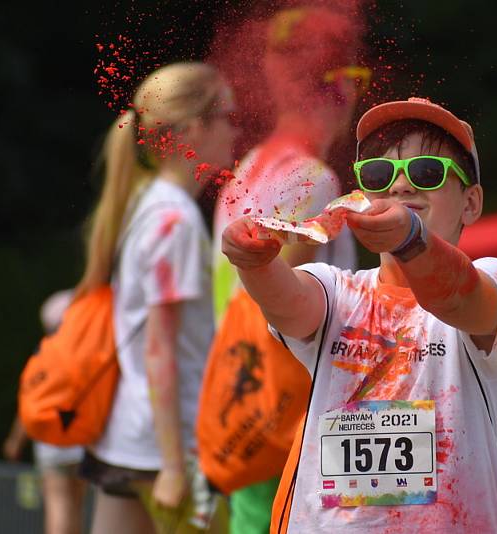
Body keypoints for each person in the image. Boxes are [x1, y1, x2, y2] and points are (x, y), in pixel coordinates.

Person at [221, 97, 497, 533]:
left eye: (426, 172)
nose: (400, 187)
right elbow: (286, 301)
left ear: (471, 203)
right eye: (380, 175)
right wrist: (252, 260)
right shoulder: (336, 288)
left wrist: (412, 240)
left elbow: (461, 299)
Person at [210, 7, 367, 533]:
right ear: (332, 87)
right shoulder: (313, 178)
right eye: (352, 78)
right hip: (292, 401)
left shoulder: (251, 165)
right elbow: (279, 300)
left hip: (241, 387)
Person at [76, 62, 237, 534]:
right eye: (228, 116)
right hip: (168, 448)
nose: (238, 130)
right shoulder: (176, 220)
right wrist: (172, 464)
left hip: (128, 439)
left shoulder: (147, 205)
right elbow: (160, 347)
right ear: (191, 129)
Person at [3, 290, 87, 534]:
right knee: (77, 507)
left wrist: (15, 441)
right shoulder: (88, 356)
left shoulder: (44, 356)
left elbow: (29, 404)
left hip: (51, 442)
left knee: (58, 505)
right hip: (83, 440)